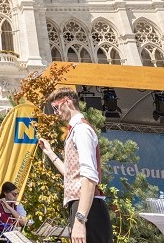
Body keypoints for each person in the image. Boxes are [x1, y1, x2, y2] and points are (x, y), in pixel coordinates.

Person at [39, 90, 113, 243]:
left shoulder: (81, 130)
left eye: (56, 108)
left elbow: (89, 176)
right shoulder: (75, 131)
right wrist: (49, 153)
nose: (56, 113)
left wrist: (80, 220)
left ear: (67, 101)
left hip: (87, 207)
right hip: (82, 206)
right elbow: (70, 173)